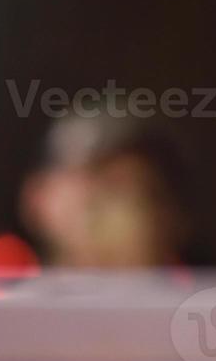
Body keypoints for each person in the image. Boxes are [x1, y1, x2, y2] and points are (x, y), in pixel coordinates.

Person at [21, 107, 191, 269]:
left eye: (150, 192)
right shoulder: (7, 296)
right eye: (102, 182)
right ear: (38, 197)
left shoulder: (197, 296)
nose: (128, 207)